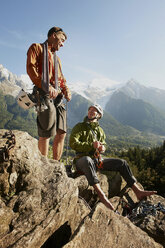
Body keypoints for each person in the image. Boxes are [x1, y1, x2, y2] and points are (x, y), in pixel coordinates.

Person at [69, 104, 157, 211]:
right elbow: (73, 143)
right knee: (87, 160)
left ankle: (137, 191)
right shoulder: (79, 127)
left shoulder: (100, 131)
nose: (91, 112)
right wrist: (90, 145)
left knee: (122, 163)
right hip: (81, 160)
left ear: (99, 115)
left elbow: (104, 144)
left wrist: (103, 149)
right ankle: (102, 195)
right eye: (90, 110)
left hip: (96, 160)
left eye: (94, 110)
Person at [27, 26, 71, 160]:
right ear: (53, 35)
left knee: (62, 131)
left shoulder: (57, 59)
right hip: (42, 93)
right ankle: (44, 164)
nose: (62, 44)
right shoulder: (36, 48)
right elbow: (31, 68)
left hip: (57, 96)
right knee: (46, 132)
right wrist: (45, 86)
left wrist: (66, 90)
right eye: (62, 40)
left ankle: (56, 165)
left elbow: (61, 78)